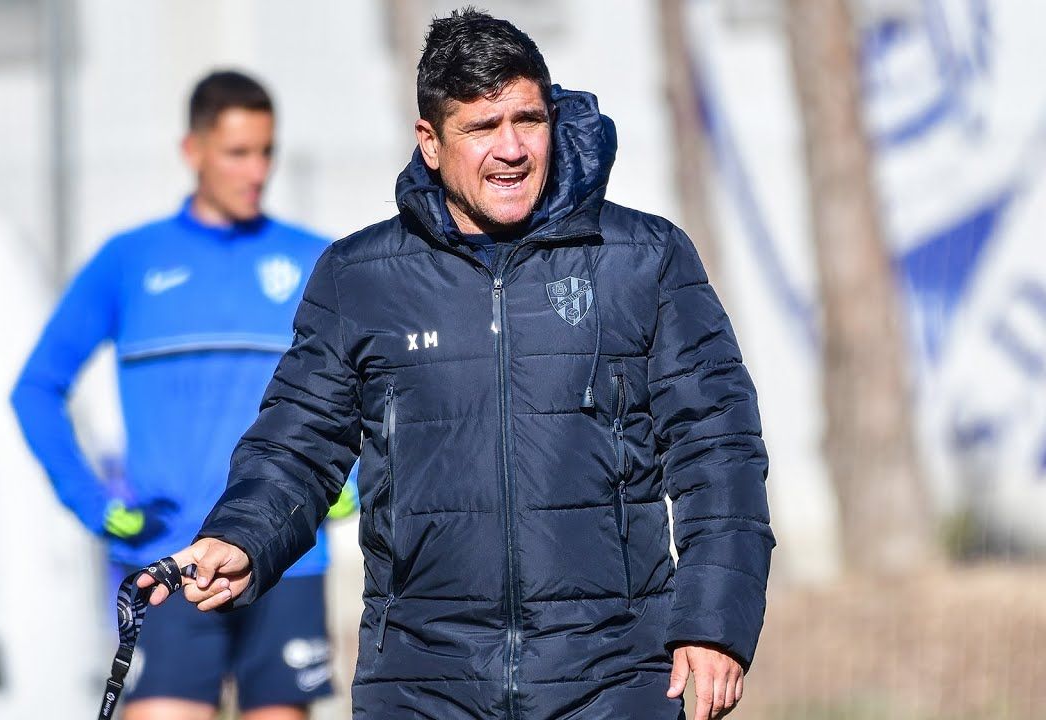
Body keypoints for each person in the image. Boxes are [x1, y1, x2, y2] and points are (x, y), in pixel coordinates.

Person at [143, 10, 774, 720]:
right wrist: (242, 534)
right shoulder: (361, 277)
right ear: (431, 143)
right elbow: (298, 440)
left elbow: (717, 450)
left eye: (528, 120)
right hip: (421, 681)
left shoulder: (644, 259)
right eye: (481, 128)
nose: (511, 149)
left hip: (613, 677)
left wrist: (714, 624)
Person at [11, 70, 349, 720]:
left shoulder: (313, 261)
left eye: (266, 151)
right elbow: (36, 390)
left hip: (285, 560)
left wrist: (351, 478)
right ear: (192, 151)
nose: (257, 170)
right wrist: (95, 505)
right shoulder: (128, 261)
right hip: (167, 556)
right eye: (237, 152)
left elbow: (367, 388)